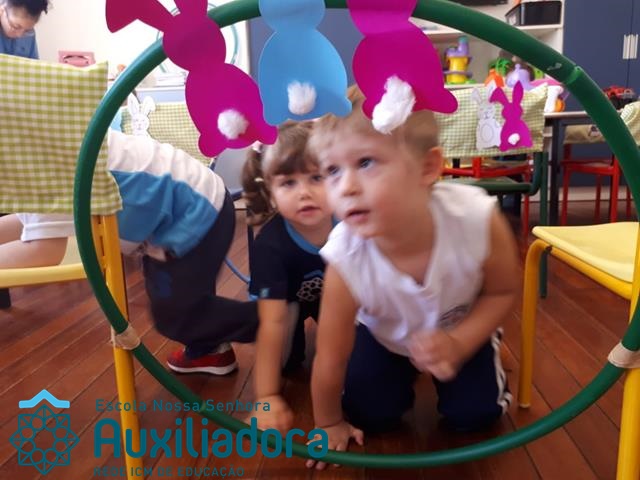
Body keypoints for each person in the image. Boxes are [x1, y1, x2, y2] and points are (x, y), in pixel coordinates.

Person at [305, 86, 520, 469]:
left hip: (459, 324)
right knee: (371, 416)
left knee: (475, 416)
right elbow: (330, 356)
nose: (346, 187)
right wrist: (328, 422)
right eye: (332, 171)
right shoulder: (345, 257)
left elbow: (502, 292)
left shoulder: (476, 218)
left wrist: (460, 342)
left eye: (366, 162)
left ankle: (480, 360)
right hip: (383, 335)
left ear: (427, 168)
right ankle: (401, 374)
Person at [0, 130, 259, 375]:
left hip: (195, 212)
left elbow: (44, 251)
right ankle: (208, 351)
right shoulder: (44, 145)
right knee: (176, 299)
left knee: (174, 315)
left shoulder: (41, 168)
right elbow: (26, 222)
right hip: (188, 205)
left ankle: (269, 320)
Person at [241, 121, 334, 434]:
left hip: (337, 300)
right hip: (286, 303)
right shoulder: (270, 245)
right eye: (289, 183)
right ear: (271, 191)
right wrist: (266, 397)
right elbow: (272, 322)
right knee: (285, 363)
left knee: (357, 358)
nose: (304, 193)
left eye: (316, 177)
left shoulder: (348, 225)